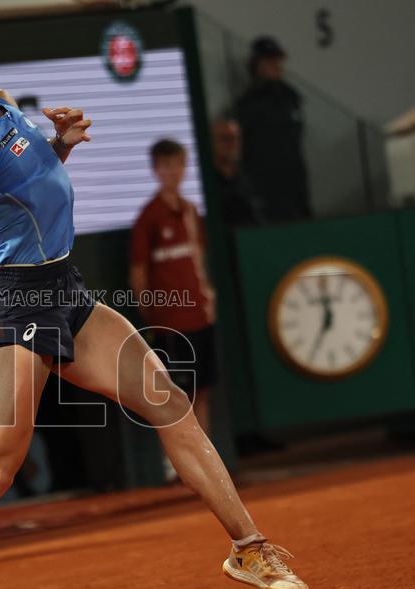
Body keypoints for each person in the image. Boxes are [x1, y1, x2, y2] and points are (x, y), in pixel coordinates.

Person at [0, 11, 308, 589]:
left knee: (168, 399)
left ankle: (248, 550)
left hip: (68, 291)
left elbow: (32, 192)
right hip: (16, 305)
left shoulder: (5, 108)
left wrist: (62, 143)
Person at [129, 139, 216, 453]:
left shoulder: (192, 212)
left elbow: (199, 259)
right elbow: (138, 273)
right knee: (177, 395)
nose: (172, 172)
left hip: (200, 316)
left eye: (177, 164)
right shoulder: (148, 217)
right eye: (165, 166)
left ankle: (206, 458)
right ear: (155, 170)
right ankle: (181, 461)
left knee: (202, 389)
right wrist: (152, 316)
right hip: (171, 323)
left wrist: (209, 299)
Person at [233, 36, 311, 222]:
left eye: (277, 60)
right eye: (269, 61)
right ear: (256, 65)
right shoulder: (247, 104)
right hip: (267, 190)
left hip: (296, 184)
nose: (276, 65)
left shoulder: (290, 97)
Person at [211, 118, 264, 228]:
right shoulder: (208, 183)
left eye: (237, 138)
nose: (234, 144)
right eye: (226, 139)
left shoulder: (250, 176)